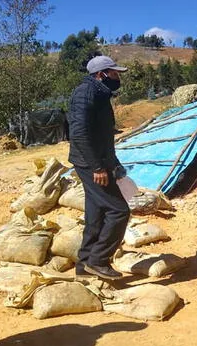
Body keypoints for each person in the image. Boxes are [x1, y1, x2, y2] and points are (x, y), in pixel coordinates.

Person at [67, 55, 130, 280]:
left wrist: (115, 164)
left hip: (99, 161)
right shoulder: (86, 93)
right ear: (100, 74)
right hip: (89, 163)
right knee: (119, 211)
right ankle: (99, 260)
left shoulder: (100, 94)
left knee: (96, 211)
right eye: (113, 73)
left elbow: (102, 136)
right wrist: (97, 168)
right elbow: (79, 134)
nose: (117, 77)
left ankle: (84, 264)